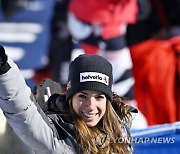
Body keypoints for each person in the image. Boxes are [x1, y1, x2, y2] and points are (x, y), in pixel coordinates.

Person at [0, 45, 137, 153]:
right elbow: (23, 112)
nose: (90, 106)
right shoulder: (58, 135)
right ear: (70, 98)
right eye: (83, 96)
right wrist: (4, 68)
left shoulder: (119, 128)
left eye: (99, 97)